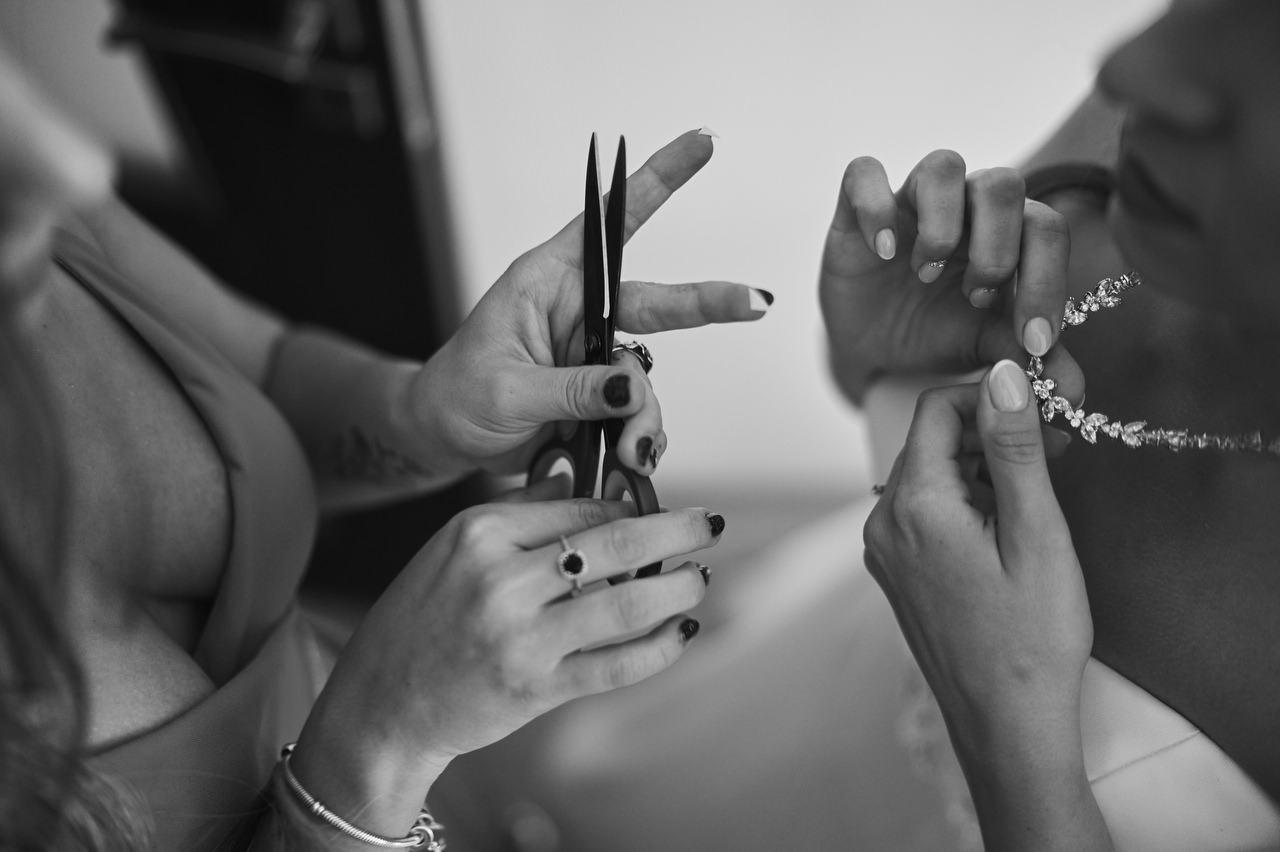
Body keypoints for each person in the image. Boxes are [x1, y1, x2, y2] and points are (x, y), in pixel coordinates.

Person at [527, 1, 1280, 849]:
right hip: (791, 700)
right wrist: (882, 355)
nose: (1128, 65)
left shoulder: (1182, 142)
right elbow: (900, 412)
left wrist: (1006, 729)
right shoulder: (1144, 148)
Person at [0, 42, 772, 851]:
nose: (76, 166)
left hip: (468, 765)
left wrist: (425, 418)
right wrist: (374, 751)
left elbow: (265, 375)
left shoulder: (33, 214)